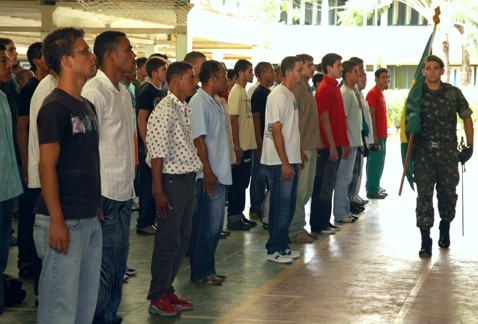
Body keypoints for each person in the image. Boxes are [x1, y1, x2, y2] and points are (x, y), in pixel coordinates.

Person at [33, 27, 101, 323]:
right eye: (85, 51)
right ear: (67, 61)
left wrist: (94, 207)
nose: (91, 56)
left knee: (84, 306)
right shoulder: (54, 107)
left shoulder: (86, 105)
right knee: (58, 309)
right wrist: (57, 220)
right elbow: (46, 167)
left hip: (87, 217)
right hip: (63, 221)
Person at [82, 31, 136, 324]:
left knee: (118, 263)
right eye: (128, 50)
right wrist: (94, 196)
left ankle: (109, 314)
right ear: (110, 55)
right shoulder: (95, 92)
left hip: (123, 190)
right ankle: (99, 317)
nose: (133, 54)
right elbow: (87, 148)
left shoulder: (123, 93)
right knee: (101, 265)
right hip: (103, 193)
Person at [146, 61, 201, 316]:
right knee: (168, 240)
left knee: (181, 237)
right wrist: (158, 190)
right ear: (176, 80)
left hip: (186, 179)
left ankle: (167, 289)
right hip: (171, 181)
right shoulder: (165, 109)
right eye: (191, 78)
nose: (194, 82)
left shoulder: (183, 108)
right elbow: (157, 153)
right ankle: (157, 295)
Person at [412, 55, 473, 257]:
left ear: (442, 70)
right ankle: (424, 239)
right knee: (424, 197)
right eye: (427, 68)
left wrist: (470, 146)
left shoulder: (453, 93)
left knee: (448, 194)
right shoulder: (417, 95)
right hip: (424, 154)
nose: (431, 72)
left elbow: (467, 118)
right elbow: (408, 122)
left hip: (447, 153)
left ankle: (445, 226)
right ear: (423, 72)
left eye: (435, 68)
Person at [189, 60, 232, 285]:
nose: (227, 80)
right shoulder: (199, 102)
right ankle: (200, 273)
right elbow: (199, 139)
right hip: (209, 175)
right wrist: (207, 171)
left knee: (214, 228)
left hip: (219, 172)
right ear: (213, 78)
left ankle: (208, 269)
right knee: (205, 226)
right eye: (223, 76)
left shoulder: (214, 101)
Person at [261, 56, 302, 263]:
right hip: (278, 162)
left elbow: (290, 129)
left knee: (289, 205)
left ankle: (283, 245)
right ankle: (274, 248)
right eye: (298, 69)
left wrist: (297, 155)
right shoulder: (278, 95)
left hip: (289, 159)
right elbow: (276, 131)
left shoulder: (290, 94)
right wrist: (285, 162)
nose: (301, 73)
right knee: (280, 204)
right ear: (288, 72)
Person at [16, 41, 49, 293]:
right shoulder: (32, 89)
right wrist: (27, 165)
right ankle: (26, 259)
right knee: (31, 215)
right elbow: (23, 127)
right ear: (38, 60)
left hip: (40, 164)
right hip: (35, 165)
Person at [310, 53, 349, 234]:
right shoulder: (325, 87)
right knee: (323, 185)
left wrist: (343, 143)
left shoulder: (335, 87)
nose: (341, 68)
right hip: (327, 146)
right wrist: (332, 145)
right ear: (328, 68)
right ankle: (319, 223)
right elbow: (324, 118)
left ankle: (325, 220)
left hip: (335, 144)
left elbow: (338, 119)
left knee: (329, 184)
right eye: (338, 65)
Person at [0, 43, 23, 316]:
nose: (9, 66)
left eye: (8, 60)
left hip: (7, 188)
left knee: (3, 254)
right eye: (3, 61)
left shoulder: (4, 98)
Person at [289, 54, 321, 243]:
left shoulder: (307, 88)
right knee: (300, 190)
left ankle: (300, 225)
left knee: (307, 189)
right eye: (308, 66)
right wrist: (298, 148)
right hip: (301, 146)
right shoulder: (296, 90)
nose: (312, 69)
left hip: (311, 144)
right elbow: (293, 123)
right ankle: (295, 229)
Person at [136, 56, 168, 235]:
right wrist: (147, 143)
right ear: (154, 72)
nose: (166, 72)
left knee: (156, 182)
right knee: (147, 184)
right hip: (149, 145)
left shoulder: (162, 91)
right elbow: (142, 119)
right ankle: (144, 221)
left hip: (159, 145)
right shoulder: (147, 90)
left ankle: (152, 218)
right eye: (164, 70)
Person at [227, 59, 257, 230]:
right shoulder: (236, 92)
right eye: (249, 71)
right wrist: (236, 146)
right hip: (241, 147)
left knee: (243, 183)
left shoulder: (244, 92)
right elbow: (233, 119)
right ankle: (233, 217)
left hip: (247, 146)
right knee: (238, 183)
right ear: (240, 73)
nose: (252, 74)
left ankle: (239, 214)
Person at [333, 60, 361, 223]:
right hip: (347, 143)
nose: (359, 75)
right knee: (343, 178)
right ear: (349, 74)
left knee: (347, 178)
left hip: (353, 142)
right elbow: (341, 120)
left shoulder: (351, 92)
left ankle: (344, 209)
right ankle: (340, 212)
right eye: (356, 72)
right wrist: (344, 144)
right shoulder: (345, 93)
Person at [250, 62, 275, 224]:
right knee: (259, 175)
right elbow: (256, 119)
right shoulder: (259, 93)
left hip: (268, 141)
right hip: (262, 141)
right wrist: (259, 142)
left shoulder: (269, 93)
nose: (274, 74)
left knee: (264, 175)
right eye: (271, 71)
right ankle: (256, 207)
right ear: (263, 73)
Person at [348, 57, 372, 209]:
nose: (362, 71)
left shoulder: (357, 91)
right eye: (360, 69)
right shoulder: (349, 91)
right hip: (352, 137)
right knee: (349, 174)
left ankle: (353, 196)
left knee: (356, 171)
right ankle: (349, 200)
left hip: (359, 136)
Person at [365, 67, 390, 199]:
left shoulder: (381, 93)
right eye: (383, 77)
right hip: (377, 135)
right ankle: (372, 189)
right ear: (376, 79)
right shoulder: (372, 93)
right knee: (374, 162)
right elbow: (371, 115)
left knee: (380, 162)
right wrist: (374, 135)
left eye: (387, 77)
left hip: (383, 135)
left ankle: (375, 185)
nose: (386, 80)